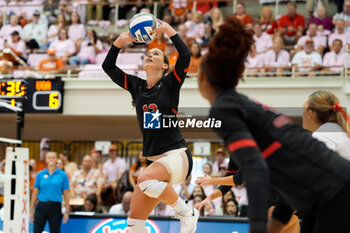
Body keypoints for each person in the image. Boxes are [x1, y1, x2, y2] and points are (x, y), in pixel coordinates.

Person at [195, 17, 350, 233]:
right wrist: (276, 223)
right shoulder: (246, 106)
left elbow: (254, 171)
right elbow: (291, 177)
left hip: (332, 193)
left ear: (202, 76)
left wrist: (257, 228)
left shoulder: (223, 108)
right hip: (330, 189)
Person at [102, 19, 198, 233]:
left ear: (165, 65)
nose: (149, 54)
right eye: (148, 53)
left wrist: (168, 30)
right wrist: (119, 41)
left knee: (144, 179)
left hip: (177, 155)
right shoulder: (136, 86)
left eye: (155, 54)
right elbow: (108, 67)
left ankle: (186, 212)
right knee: (134, 223)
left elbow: (185, 56)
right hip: (156, 161)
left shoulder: (171, 83)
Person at [303, 90, 350, 160]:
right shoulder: (336, 128)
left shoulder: (323, 133)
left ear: (310, 113)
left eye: (304, 109)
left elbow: (320, 167)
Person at [30, 151, 70, 233]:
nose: (51, 159)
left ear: (56, 160)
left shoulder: (62, 175)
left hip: (55, 207)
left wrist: (67, 211)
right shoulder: (40, 174)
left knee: (55, 231)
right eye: (49, 157)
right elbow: (35, 193)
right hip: (41, 206)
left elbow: (66, 194)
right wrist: (31, 211)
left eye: (53, 157)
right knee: (36, 231)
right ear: (46, 160)